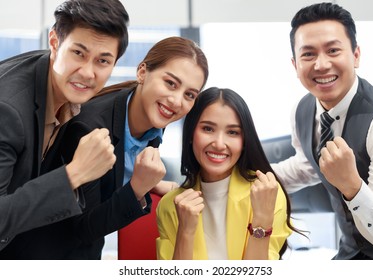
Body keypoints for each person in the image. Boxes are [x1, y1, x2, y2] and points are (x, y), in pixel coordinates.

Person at [0, 36, 209, 259]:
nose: (176, 101)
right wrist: (137, 188)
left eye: (189, 95)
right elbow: (83, 227)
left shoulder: (155, 117)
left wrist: (149, 182)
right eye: (170, 83)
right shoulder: (89, 129)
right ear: (142, 72)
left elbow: (122, 165)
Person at [0, 0, 129, 252]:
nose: (88, 73)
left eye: (103, 61)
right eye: (78, 53)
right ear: (54, 42)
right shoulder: (7, 110)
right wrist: (75, 173)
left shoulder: (66, 90)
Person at [271, 2, 373, 260]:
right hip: (348, 252)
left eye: (333, 50)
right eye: (308, 54)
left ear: (356, 55)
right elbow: (307, 166)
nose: (321, 65)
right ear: (294, 64)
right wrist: (237, 178)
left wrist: (351, 185)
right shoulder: (302, 110)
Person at [156, 87, 297, 260]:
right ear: (191, 134)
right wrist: (185, 231)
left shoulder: (266, 194)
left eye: (232, 132)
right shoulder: (170, 205)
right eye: (208, 129)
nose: (219, 144)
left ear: (244, 141)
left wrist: (262, 220)